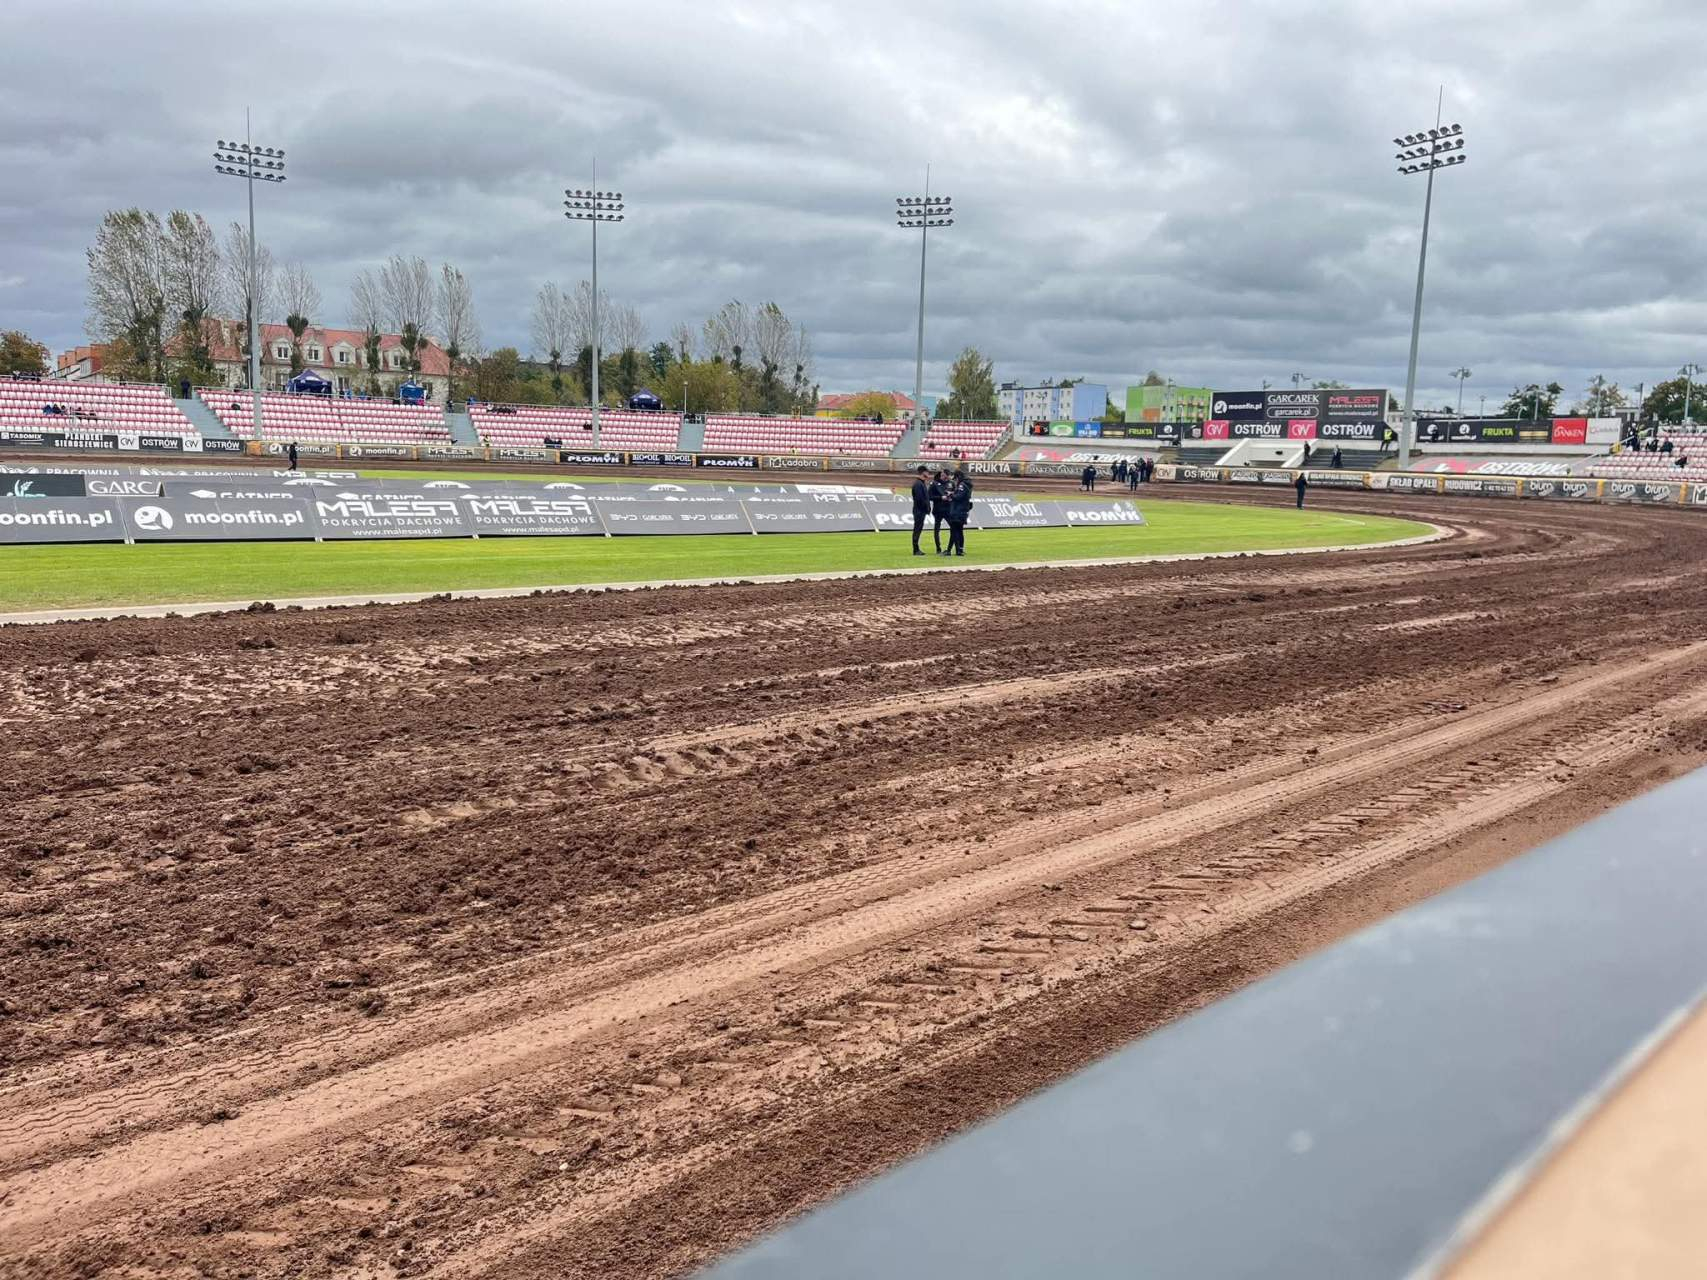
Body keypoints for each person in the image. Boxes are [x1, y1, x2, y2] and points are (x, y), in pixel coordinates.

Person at [946, 472, 974, 556]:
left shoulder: (962, 485)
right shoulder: (967, 485)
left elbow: (959, 497)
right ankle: (958, 549)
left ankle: (953, 550)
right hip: (963, 511)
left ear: (958, 477)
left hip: (958, 511)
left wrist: (951, 495)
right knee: (959, 531)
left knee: (954, 531)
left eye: (955, 479)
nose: (955, 481)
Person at [910, 464, 931, 557]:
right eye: (927, 472)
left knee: (918, 529)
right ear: (923, 473)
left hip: (920, 510)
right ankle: (916, 549)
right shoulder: (918, 484)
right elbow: (920, 499)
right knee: (917, 530)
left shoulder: (921, 483)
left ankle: (916, 549)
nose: (928, 474)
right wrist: (925, 508)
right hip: (919, 511)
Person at [930, 470, 952, 553]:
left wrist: (951, 496)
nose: (943, 477)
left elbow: (955, 493)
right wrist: (940, 497)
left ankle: (952, 548)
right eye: (942, 475)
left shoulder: (951, 483)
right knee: (937, 529)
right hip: (938, 510)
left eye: (945, 475)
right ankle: (938, 548)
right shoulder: (934, 484)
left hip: (948, 509)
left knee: (953, 528)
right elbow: (930, 496)